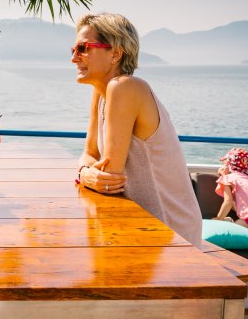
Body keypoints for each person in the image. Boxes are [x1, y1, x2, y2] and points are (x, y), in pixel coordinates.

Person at [71, 13, 202, 246]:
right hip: (136, 224)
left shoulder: (125, 87)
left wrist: (87, 174)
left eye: (83, 48)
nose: (74, 58)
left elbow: (110, 178)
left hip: (169, 234)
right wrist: (84, 173)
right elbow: (89, 155)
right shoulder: (101, 93)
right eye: (74, 48)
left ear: (115, 53)